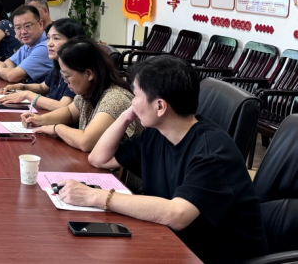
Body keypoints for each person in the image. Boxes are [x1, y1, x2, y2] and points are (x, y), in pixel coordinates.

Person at [59, 56, 269, 264]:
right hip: (173, 242)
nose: (132, 102)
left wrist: (94, 196)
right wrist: (126, 116)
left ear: (160, 106)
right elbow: (99, 159)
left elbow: (177, 214)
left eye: (136, 95)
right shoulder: (157, 133)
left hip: (212, 256)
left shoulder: (212, 150)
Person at [21, 37, 142, 152]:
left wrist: (56, 128)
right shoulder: (89, 91)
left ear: (89, 74)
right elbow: (70, 112)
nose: (65, 81)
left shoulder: (115, 98)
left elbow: (86, 142)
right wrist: (39, 120)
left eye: (67, 76)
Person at [0, 18, 83, 111]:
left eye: (56, 38)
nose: (49, 44)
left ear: (73, 41)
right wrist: (19, 87)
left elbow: (63, 106)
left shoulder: (76, 70)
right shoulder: (58, 64)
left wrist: (27, 95)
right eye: (48, 38)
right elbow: (42, 87)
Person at [0, 5, 51, 84]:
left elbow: (12, 76)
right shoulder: (28, 45)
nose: (23, 32)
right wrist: (11, 70)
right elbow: (9, 61)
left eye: (27, 26)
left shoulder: (45, 47)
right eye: (18, 28)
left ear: (40, 24)